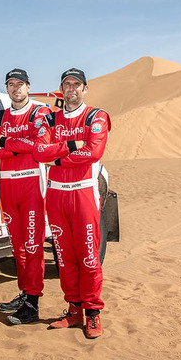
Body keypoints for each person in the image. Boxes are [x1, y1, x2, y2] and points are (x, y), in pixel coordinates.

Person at [32, 68, 109, 338]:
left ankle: (93, 314)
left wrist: (59, 155)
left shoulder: (96, 117)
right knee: (64, 258)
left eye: (77, 84)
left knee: (88, 257)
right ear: (61, 89)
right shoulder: (50, 119)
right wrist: (74, 146)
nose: (71, 89)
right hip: (56, 195)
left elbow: (94, 151)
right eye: (67, 84)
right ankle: (74, 310)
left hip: (84, 193)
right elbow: (39, 151)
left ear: (85, 89)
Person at [0, 68, 51, 325]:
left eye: (19, 83)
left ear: (28, 87)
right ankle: (25, 293)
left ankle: (33, 304)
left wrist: (5, 142)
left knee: (33, 246)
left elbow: (40, 145)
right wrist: (14, 145)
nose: (15, 88)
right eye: (10, 84)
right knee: (18, 247)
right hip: (7, 187)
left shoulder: (39, 112)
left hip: (32, 184)